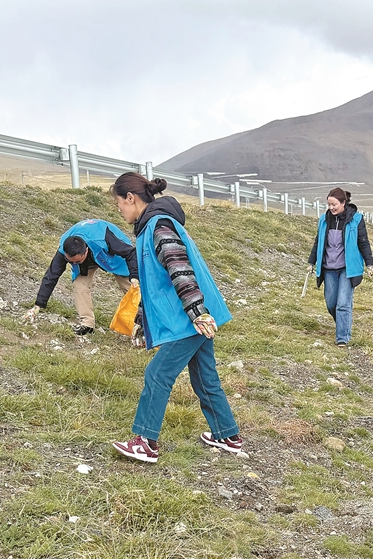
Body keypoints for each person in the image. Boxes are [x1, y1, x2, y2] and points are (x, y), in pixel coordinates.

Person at [110, 172, 241, 464]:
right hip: (189, 316)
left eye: (119, 203)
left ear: (131, 199)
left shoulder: (158, 226)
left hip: (188, 319)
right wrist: (143, 321)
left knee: (157, 374)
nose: (119, 210)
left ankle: (146, 443)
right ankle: (227, 434)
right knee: (205, 377)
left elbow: (179, 270)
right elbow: (154, 283)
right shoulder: (150, 227)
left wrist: (198, 313)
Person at [24, 219, 138, 335]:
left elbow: (130, 253)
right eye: (70, 261)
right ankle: (87, 325)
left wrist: (134, 276)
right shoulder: (64, 250)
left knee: (133, 289)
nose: (74, 264)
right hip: (88, 261)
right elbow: (52, 275)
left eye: (77, 261)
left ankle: (145, 323)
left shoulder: (104, 238)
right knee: (79, 285)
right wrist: (38, 305)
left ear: (86, 251)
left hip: (115, 256)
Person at [307, 187, 373, 347]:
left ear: (344, 203)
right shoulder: (324, 220)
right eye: (329, 204)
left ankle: (342, 337)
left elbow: (363, 243)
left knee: (343, 303)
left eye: (334, 204)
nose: (331, 208)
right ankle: (343, 324)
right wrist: (311, 262)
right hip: (329, 267)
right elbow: (318, 242)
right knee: (331, 303)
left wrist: (370, 263)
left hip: (347, 268)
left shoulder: (356, 219)